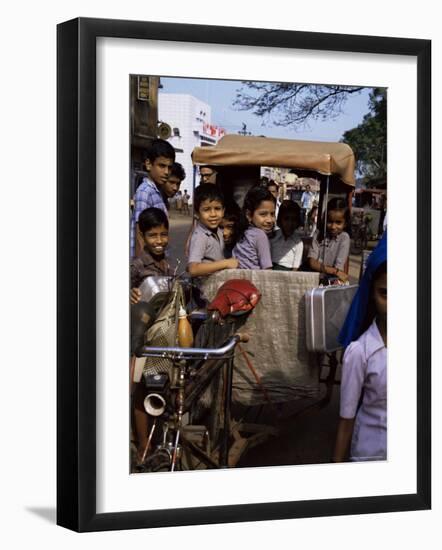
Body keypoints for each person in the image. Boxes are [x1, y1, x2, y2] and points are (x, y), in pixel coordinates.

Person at [333, 234, 387, 462]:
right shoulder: (360, 351)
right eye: (385, 293)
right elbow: (347, 419)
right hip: (370, 456)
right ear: (371, 294)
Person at [128, 207, 171, 463]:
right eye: (153, 235)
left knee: (161, 386)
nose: (159, 241)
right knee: (143, 389)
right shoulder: (136, 266)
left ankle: (159, 440)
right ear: (142, 237)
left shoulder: (167, 263)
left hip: (163, 336)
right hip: (143, 340)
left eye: (163, 234)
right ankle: (143, 445)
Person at [130, 139, 175, 258]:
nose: (166, 172)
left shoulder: (156, 191)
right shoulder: (145, 192)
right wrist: (142, 268)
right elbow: (139, 231)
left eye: (169, 168)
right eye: (162, 166)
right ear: (149, 164)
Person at [187, 183, 238, 277]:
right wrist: (225, 263)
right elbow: (193, 269)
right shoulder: (200, 236)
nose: (213, 214)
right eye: (206, 209)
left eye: (217, 208)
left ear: (223, 211)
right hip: (205, 287)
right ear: (197, 213)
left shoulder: (218, 230)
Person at [307, 197, 351, 283]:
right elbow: (312, 262)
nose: (333, 227)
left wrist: (334, 271)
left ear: (345, 223)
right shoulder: (319, 233)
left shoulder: (344, 238)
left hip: (331, 279)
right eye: (330, 222)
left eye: (338, 222)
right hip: (315, 277)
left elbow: (338, 266)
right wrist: (334, 271)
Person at [232, 186, 275, 270]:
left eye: (272, 214)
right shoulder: (260, 235)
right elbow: (267, 270)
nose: (270, 220)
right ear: (248, 215)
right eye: (263, 214)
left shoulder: (244, 232)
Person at [270, 200, 303, 271]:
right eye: (286, 219)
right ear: (280, 220)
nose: (290, 224)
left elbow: (295, 269)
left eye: (293, 219)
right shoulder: (272, 236)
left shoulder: (298, 243)